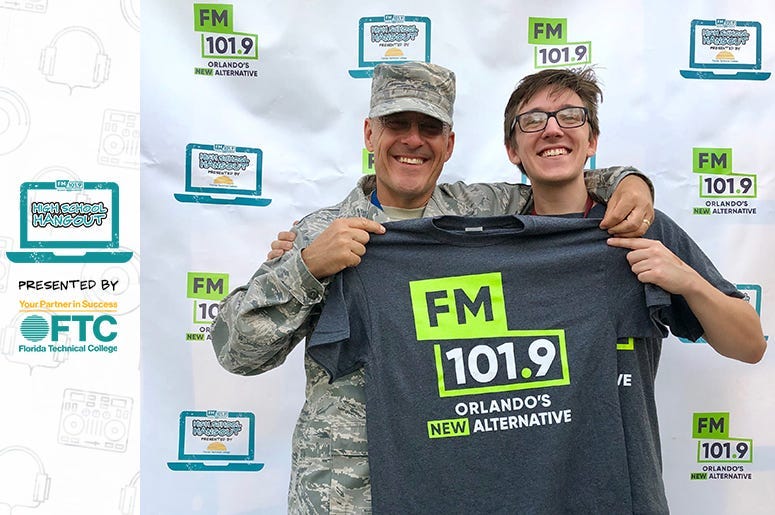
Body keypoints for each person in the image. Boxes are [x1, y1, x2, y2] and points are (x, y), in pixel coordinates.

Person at [303, 67, 766, 513]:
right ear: (512, 149)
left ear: (593, 140)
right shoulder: (472, 239)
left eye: (571, 117)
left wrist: (686, 279)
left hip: (617, 497)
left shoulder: (636, 228)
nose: (552, 130)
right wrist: (301, 261)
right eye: (533, 121)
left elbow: (750, 345)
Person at [211, 62, 656, 514]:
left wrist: (630, 183)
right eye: (396, 124)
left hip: (447, 486)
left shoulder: (483, 213)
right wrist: (306, 268)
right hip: (348, 494)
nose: (413, 140)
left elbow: (558, 174)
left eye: (429, 127)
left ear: (449, 144)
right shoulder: (322, 233)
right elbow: (236, 353)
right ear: (369, 134)